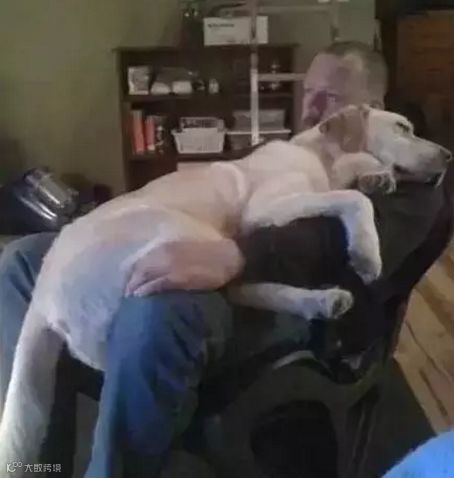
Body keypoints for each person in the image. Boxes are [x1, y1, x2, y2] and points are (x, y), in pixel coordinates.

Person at [0, 42, 446, 477]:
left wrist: (232, 254)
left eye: (330, 97)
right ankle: (36, 466)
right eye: (308, 92)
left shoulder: (410, 189)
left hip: (307, 306)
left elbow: (323, 242)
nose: (312, 109)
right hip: (232, 260)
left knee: (162, 304)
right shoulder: (301, 149)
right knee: (25, 259)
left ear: (373, 108)